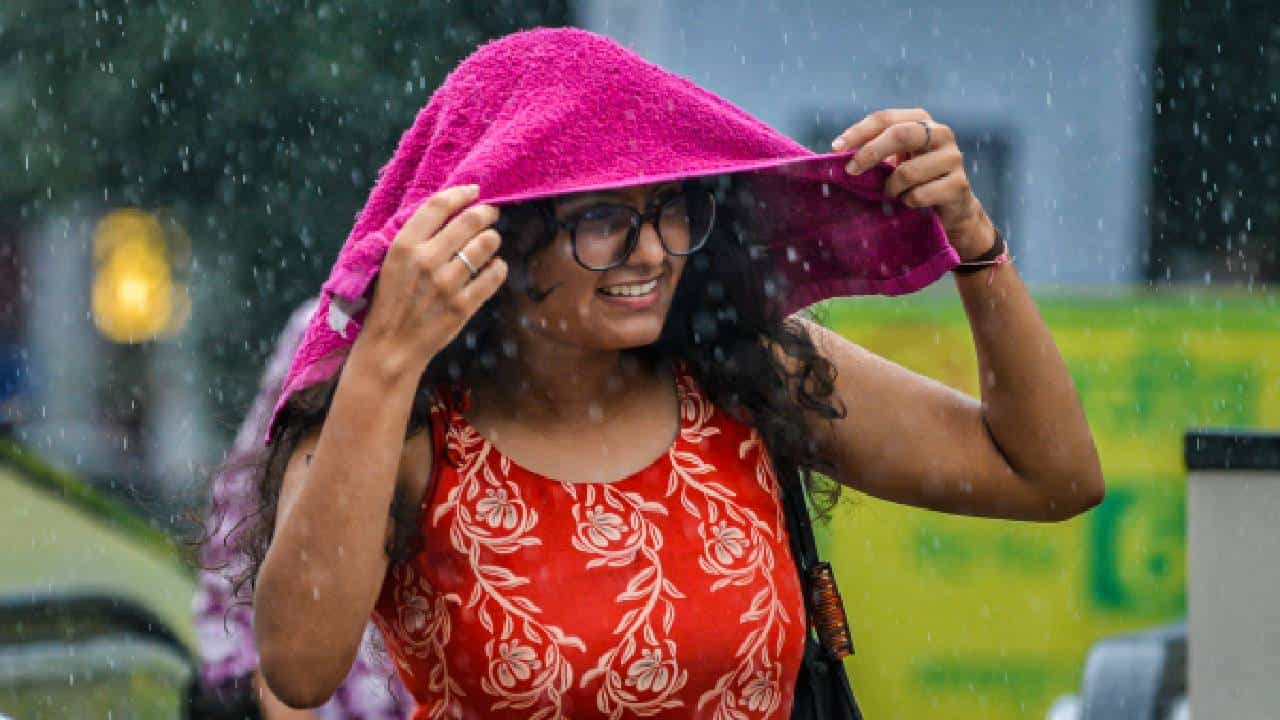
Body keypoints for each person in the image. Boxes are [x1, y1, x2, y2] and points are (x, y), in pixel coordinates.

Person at [241, 28, 1103, 719]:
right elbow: (299, 669)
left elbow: (1051, 475)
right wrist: (387, 359)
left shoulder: (741, 372)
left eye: (672, 210)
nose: (651, 252)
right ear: (494, 237)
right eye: (605, 219)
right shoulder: (407, 426)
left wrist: (974, 240)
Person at [195, 298, 411, 719]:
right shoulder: (335, 324)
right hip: (333, 690)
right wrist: (273, 690)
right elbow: (237, 528)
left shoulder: (539, 345)